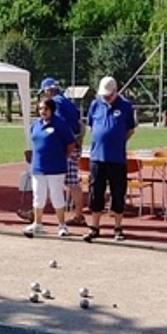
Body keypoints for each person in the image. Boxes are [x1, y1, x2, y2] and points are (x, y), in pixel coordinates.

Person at [83, 76, 136, 242]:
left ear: (116, 91)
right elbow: (91, 126)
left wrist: (117, 141)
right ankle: (95, 227)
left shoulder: (126, 106)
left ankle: (118, 227)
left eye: (109, 95)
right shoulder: (95, 105)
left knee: (118, 192)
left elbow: (130, 130)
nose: (106, 97)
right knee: (96, 192)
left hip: (117, 158)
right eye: (104, 95)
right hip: (97, 157)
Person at [22, 97, 76, 238]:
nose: (43, 111)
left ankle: (62, 224)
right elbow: (34, 142)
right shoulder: (35, 125)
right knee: (38, 196)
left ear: (52, 109)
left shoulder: (60, 124)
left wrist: (62, 156)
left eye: (45, 109)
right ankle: (38, 223)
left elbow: (70, 144)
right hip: (38, 167)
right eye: (40, 109)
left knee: (56, 196)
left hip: (56, 168)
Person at [39, 77, 86, 227]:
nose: (44, 97)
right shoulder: (67, 101)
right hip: (74, 143)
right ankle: (77, 214)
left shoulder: (57, 104)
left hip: (67, 146)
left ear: (49, 90)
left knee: (61, 180)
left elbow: (59, 125)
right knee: (66, 181)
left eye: (44, 93)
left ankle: (78, 215)